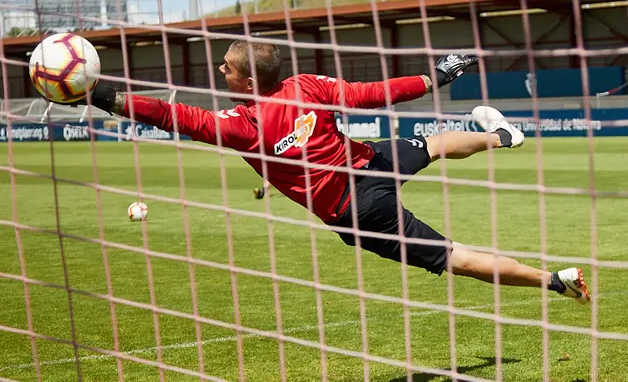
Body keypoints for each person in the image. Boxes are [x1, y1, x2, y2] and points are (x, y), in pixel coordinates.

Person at [65, 40, 590, 304]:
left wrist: (100, 96)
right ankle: (502, 136)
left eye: (226, 67)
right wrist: (435, 76)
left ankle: (553, 281)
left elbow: (173, 116)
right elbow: (376, 94)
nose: (219, 70)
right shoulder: (307, 86)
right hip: (369, 165)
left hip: (357, 210)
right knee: (432, 144)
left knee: (452, 256)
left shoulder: (243, 125)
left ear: (247, 82)